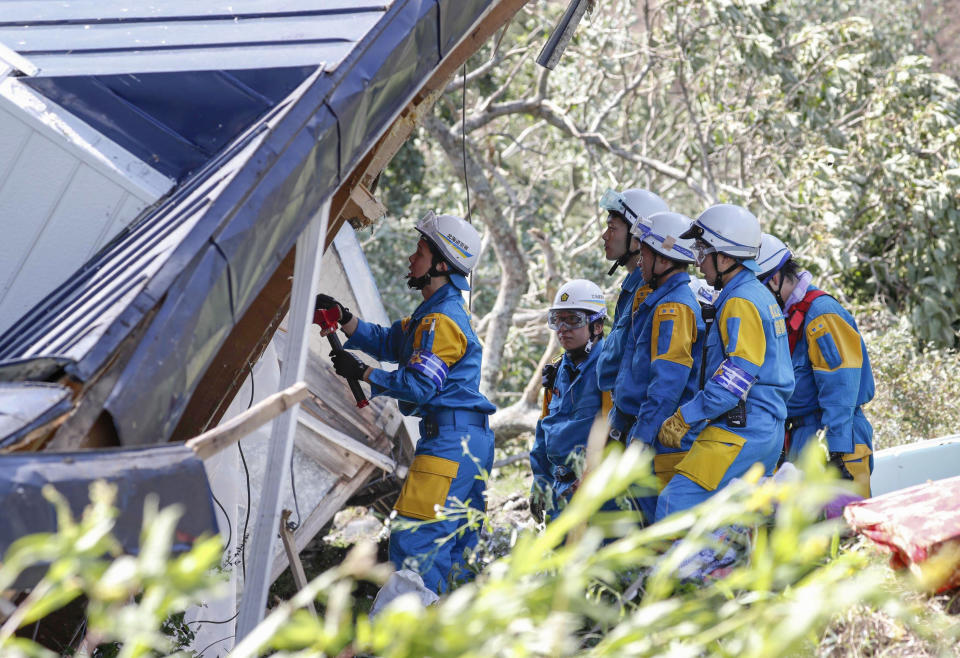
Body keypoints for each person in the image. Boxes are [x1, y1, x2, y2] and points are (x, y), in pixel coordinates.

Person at [316, 211, 495, 593]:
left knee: (416, 543)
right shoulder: (430, 315)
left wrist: (363, 373)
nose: (411, 260)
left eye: (419, 252)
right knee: (455, 549)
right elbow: (389, 343)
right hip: (465, 442)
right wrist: (345, 319)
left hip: (449, 443)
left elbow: (419, 387)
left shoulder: (441, 321)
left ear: (441, 265)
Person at [655, 204, 794, 520]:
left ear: (727, 257)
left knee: (671, 507)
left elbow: (736, 376)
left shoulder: (739, 302)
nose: (698, 261)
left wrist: (686, 416)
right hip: (759, 428)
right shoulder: (755, 294)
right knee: (736, 520)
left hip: (740, 430)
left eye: (703, 250)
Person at [756, 233, 875, 497]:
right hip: (803, 437)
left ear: (774, 280)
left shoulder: (820, 313)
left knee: (844, 529)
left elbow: (841, 388)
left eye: (756, 290)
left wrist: (836, 452)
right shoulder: (786, 318)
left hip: (834, 438)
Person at [623, 212, 705, 510]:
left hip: (662, 443)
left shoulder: (674, 306)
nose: (640, 259)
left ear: (665, 258)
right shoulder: (660, 299)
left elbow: (667, 384)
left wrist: (641, 440)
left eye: (644, 251)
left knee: (658, 535)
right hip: (650, 434)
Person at [529, 279, 609, 522]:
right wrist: (540, 484)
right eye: (557, 320)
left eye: (573, 320)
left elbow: (617, 431)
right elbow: (544, 429)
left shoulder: (610, 369)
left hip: (597, 492)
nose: (563, 328)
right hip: (559, 491)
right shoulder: (555, 372)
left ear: (596, 325)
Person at [594, 187, 669, 441]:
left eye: (612, 228)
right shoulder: (632, 288)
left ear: (638, 237)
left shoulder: (650, 291)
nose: (605, 236)